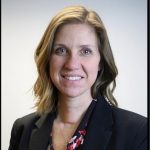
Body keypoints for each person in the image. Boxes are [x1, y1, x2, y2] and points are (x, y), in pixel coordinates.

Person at [8, 5, 147, 150]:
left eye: (85, 51)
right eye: (61, 50)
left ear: (101, 61)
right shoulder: (23, 129)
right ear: (48, 59)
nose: (72, 64)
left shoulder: (138, 132)